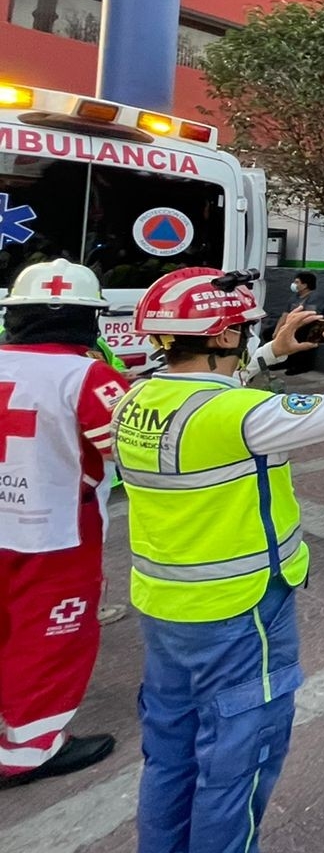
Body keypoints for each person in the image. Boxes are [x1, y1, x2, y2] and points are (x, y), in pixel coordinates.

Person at [112, 267, 324, 851]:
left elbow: (216, 395)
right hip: (241, 611)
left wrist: (267, 354)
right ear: (217, 337)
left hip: (165, 609)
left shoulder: (135, 398)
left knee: (171, 756)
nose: (241, 337)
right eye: (238, 329)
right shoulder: (233, 417)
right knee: (236, 766)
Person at [0, 260, 124, 787]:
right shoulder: (88, 375)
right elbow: (133, 445)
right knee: (50, 637)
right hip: (53, 532)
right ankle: (28, 749)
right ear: (87, 320)